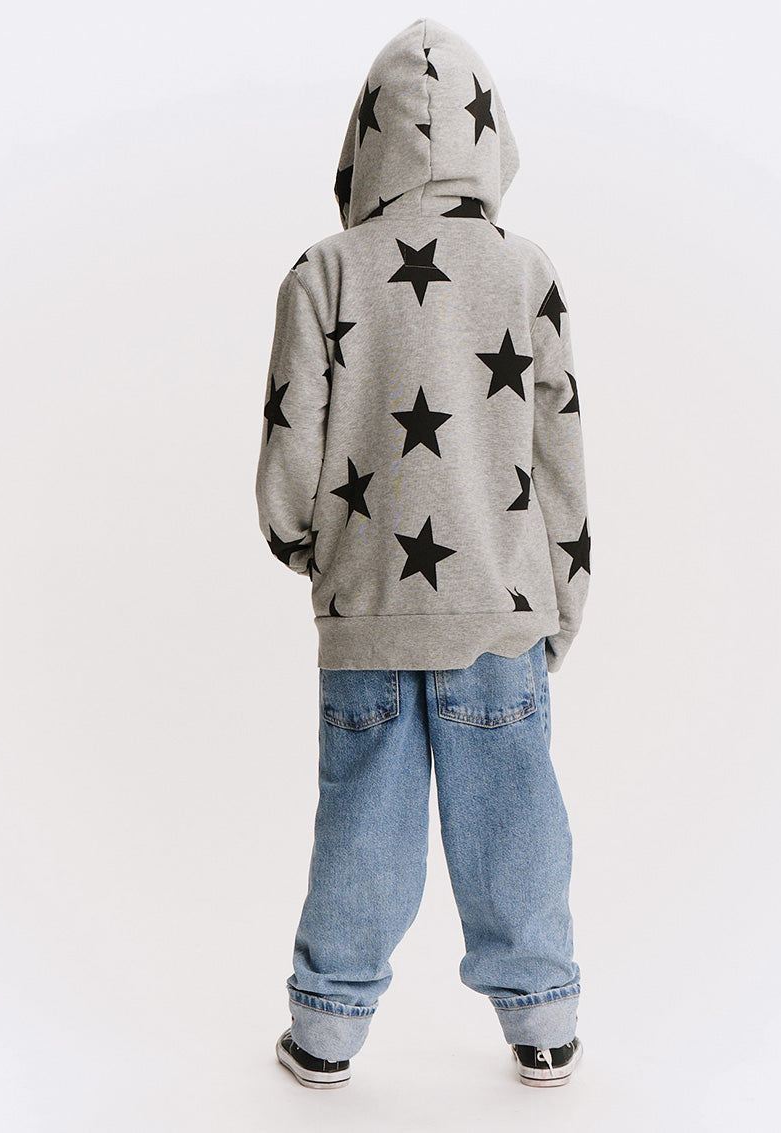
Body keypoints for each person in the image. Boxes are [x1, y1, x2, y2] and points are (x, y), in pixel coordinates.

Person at [256, 16, 591, 1089]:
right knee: (516, 828)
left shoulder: (323, 270)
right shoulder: (526, 270)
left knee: (363, 829)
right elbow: (559, 450)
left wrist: (319, 558)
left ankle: (326, 1030)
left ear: (363, 140)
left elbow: (289, 449)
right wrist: (561, 598)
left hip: (368, 610)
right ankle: (543, 1022)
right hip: (501, 603)